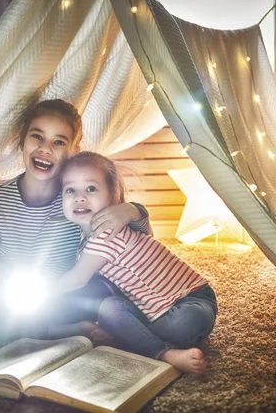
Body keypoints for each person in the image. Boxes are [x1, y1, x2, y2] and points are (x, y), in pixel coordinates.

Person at [0, 99, 151, 348]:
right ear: (22, 141)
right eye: (37, 137)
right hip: (5, 296)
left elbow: (137, 240)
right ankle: (57, 330)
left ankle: (42, 327)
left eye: (58, 142)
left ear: (73, 150)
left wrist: (132, 210)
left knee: (106, 294)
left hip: (63, 295)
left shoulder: (78, 199)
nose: (45, 149)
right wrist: (8, 279)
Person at [54, 151, 217, 374]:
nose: (79, 197)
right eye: (70, 190)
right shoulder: (88, 239)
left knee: (177, 325)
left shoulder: (106, 234)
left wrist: (42, 291)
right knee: (110, 309)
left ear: (113, 196)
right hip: (157, 311)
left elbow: (77, 278)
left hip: (190, 305)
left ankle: (162, 352)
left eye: (91, 188)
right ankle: (136, 338)